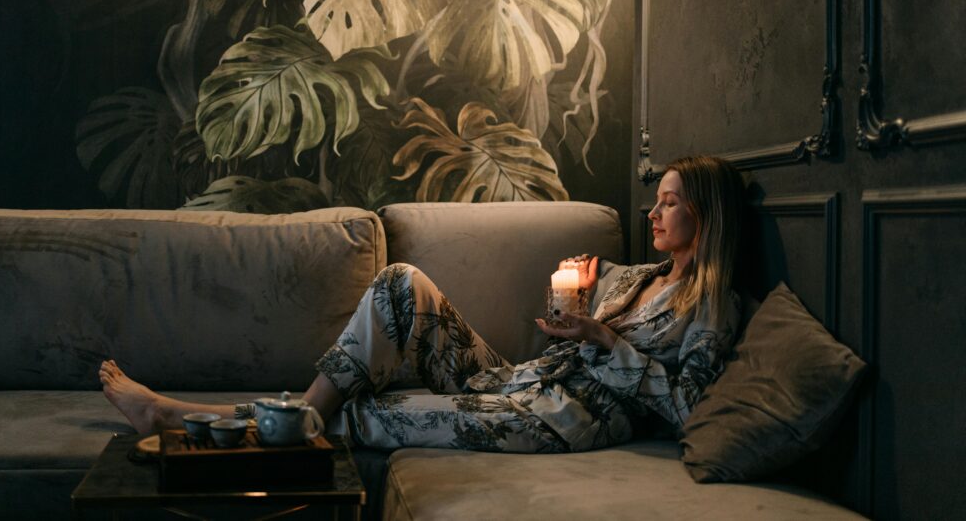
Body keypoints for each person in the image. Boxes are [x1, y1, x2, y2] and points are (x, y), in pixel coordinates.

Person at [100, 155, 745, 453]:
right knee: (401, 281)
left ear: (705, 213)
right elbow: (574, 333)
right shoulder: (638, 276)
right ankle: (265, 419)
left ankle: (184, 421)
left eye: (668, 201)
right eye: (656, 199)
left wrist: (606, 343)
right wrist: (573, 315)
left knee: (375, 412)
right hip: (514, 381)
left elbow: (691, 411)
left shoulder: (711, 305)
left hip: (559, 419)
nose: (652, 211)